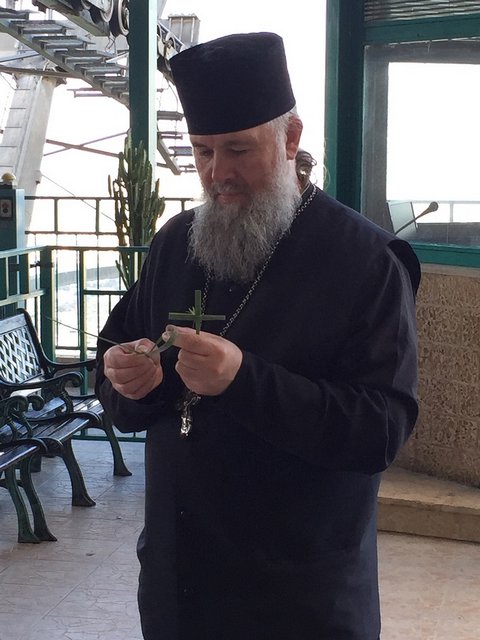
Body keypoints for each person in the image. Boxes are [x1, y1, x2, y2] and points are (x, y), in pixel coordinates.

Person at [95, 32, 420, 640]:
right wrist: (127, 378)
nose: (218, 173)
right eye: (202, 151)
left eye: (238, 150)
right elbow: (113, 360)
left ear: (290, 138)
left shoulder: (367, 262)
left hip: (300, 598)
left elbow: (380, 429)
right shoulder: (175, 242)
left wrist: (244, 380)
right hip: (179, 585)